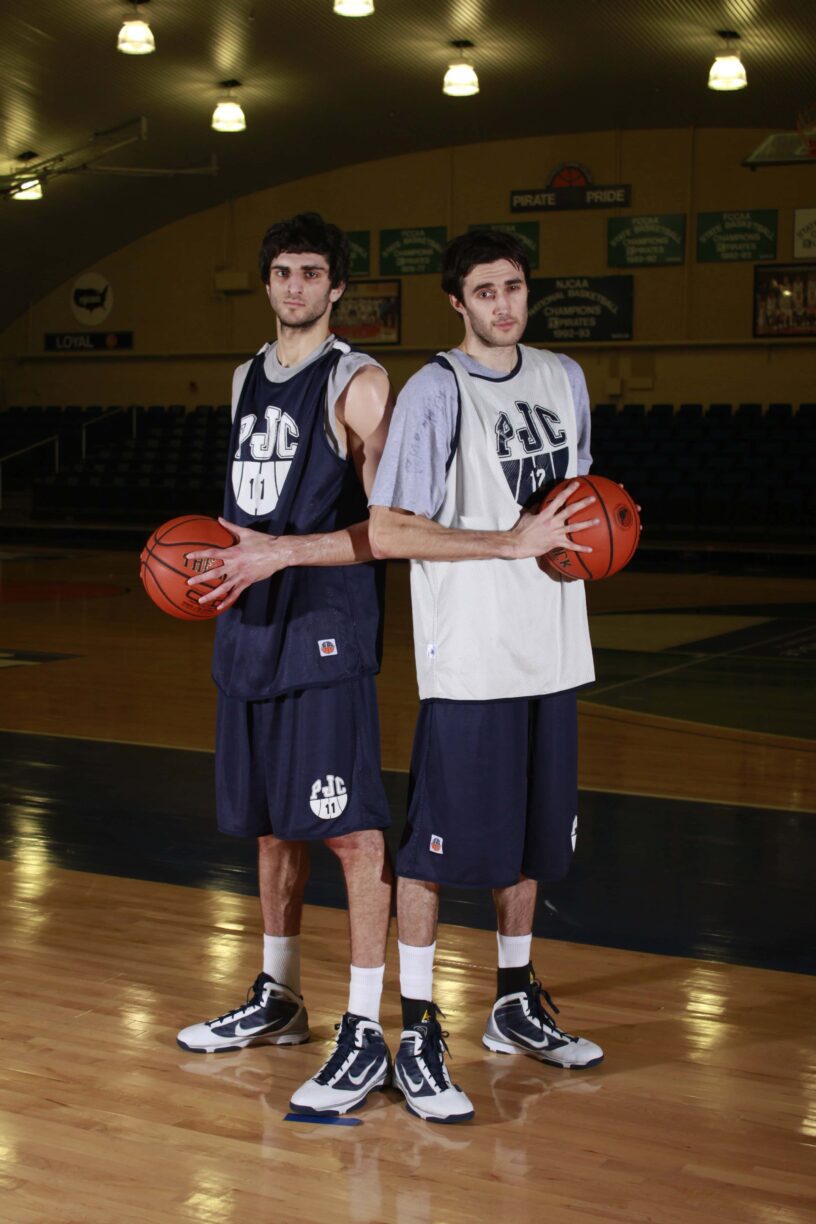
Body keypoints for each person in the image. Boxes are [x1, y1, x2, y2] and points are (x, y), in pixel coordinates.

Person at [368, 229, 605, 1123]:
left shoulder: (563, 377)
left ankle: (512, 1002)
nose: (504, 304)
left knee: (533, 846)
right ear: (455, 303)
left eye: (515, 287)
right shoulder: (435, 390)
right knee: (434, 850)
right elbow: (390, 530)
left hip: (553, 649)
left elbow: (576, 508)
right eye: (485, 291)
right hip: (470, 662)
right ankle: (421, 1029)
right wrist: (507, 541)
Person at [176, 212, 395, 1118]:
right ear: (265, 284)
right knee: (272, 824)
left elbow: (389, 528)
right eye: (281, 272)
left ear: (338, 287)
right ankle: (280, 996)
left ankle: (365, 1031)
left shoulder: (361, 381)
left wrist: (280, 555)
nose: (295, 286)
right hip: (250, 624)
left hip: (326, 628)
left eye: (312, 273)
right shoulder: (242, 379)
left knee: (350, 832)